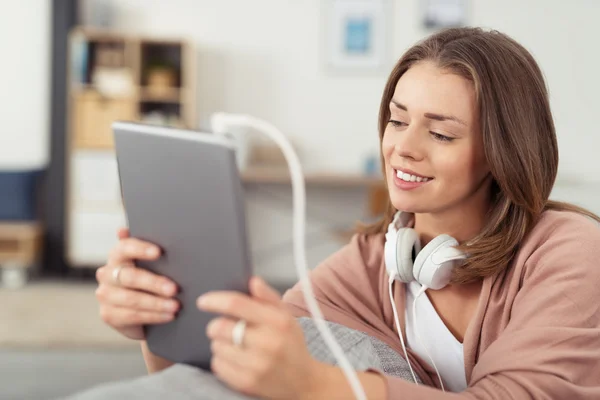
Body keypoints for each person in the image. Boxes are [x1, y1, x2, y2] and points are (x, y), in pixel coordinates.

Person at [95, 27, 600, 399]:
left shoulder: (569, 250)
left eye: (441, 133)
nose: (403, 148)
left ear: (503, 151)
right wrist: (160, 325)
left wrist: (318, 385)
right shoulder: (372, 263)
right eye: (396, 121)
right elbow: (226, 383)